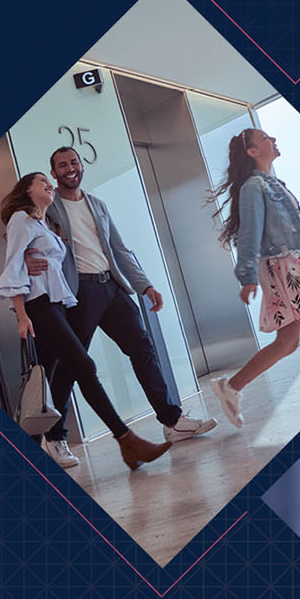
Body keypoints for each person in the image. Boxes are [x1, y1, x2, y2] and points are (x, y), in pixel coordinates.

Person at [23, 146, 216, 469]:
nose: (70, 168)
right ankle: (55, 438)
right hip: (77, 291)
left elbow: (120, 250)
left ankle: (172, 421)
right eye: (61, 165)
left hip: (111, 287)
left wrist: (145, 285)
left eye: (74, 162)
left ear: (81, 166)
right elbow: (22, 232)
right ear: (53, 173)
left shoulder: (97, 205)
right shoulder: (47, 205)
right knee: (71, 366)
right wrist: (27, 258)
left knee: (143, 348)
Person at [0, 173, 171, 471]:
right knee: (84, 367)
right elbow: (12, 268)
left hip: (55, 305)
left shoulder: (42, 224)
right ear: (27, 190)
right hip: (38, 307)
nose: (49, 184)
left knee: (49, 376)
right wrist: (21, 315)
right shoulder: (20, 219)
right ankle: (126, 439)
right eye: (41, 181)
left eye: (49, 181)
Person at [205, 128, 300, 427]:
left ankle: (230, 387)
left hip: (290, 263)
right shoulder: (253, 187)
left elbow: (287, 232)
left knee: (287, 342)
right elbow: (250, 234)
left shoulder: (272, 183)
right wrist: (247, 277)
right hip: (283, 268)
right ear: (252, 151)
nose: (273, 138)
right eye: (264, 137)